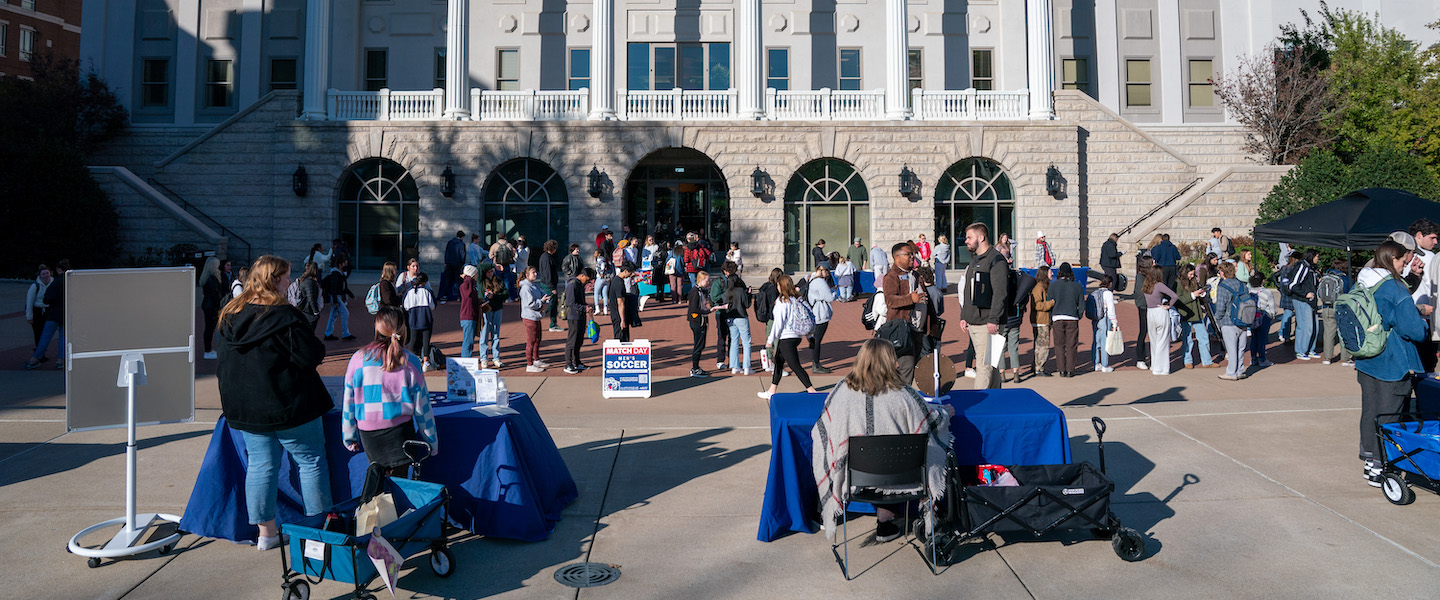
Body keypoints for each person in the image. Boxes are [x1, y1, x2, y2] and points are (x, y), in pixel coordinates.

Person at [214, 255, 331, 551]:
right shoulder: (284, 316)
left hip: (248, 409)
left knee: (262, 466)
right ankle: (318, 531)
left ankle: (266, 534)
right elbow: (311, 355)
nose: (290, 281)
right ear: (274, 280)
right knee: (310, 462)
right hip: (290, 406)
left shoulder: (229, 314)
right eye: (286, 277)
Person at [810, 338, 952, 542]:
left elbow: (823, 430)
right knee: (892, 449)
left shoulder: (841, 391)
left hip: (854, 475)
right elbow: (932, 421)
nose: (897, 363)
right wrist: (945, 412)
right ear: (887, 362)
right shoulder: (906, 395)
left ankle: (828, 510)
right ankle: (885, 519)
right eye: (894, 359)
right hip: (901, 476)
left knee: (856, 451)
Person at [1357, 240, 1432, 486]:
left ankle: (1371, 461)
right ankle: (1382, 467)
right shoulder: (1395, 289)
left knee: (1371, 410)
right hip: (1392, 361)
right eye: (1402, 261)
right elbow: (1414, 330)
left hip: (1367, 358)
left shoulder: (1364, 281)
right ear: (1393, 260)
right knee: (1390, 414)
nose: (1405, 265)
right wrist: (1421, 320)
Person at [342, 307, 438, 474]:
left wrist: (349, 437)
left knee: (379, 483)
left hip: (369, 434)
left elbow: (348, 402)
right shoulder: (411, 361)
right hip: (401, 433)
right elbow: (422, 408)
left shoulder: (357, 359)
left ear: (377, 327)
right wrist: (432, 442)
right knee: (399, 484)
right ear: (402, 329)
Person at [958, 223, 1009, 388]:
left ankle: (978, 406)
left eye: (969, 237)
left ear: (981, 238)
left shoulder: (996, 260)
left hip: (988, 324)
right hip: (975, 322)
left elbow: (1000, 293)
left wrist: (993, 319)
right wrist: (964, 316)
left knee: (984, 366)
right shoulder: (975, 261)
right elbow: (968, 292)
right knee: (991, 366)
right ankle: (995, 403)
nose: (966, 241)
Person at [759, 274, 820, 400]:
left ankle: (812, 390)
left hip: (786, 337)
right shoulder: (797, 299)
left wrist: (770, 341)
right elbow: (805, 317)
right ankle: (772, 390)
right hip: (796, 336)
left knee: (794, 365)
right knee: (779, 363)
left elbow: (778, 324)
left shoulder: (782, 301)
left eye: (778, 285)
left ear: (780, 286)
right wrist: (809, 337)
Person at [883, 242, 928, 386]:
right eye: (908, 254)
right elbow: (890, 300)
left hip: (918, 329)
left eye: (912, 254)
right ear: (897, 258)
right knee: (906, 365)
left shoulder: (915, 274)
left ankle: (899, 392)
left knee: (912, 365)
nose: (911, 257)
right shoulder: (891, 276)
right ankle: (901, 398)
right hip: (901, 329)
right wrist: (910, 299)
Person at [1406, 218, 1440, 374]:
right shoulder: (1430, 257)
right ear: (1419, 235)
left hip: (1403, 317)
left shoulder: (1394, 254)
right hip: (1424, 318)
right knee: (1425, 367)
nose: (1435, 242)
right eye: (1432, 237)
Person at [1212, 262, 1251, 380]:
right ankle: (1239, 370)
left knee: (1231, 348)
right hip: (1243, 319)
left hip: (1228, 321)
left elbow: (1220, 307)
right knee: (1241, 348)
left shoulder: (1223, 286)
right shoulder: (1242, 285)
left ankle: (1231, 372)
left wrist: (1217, 320)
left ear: (1222, 273)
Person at [1176, 268, 1217, 369]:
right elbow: (1179, 299)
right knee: (1188, 338)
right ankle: (1187, 360)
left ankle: (1207, 361)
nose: (1191, 276)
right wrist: (1192, 295)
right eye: (1190, 274)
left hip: (1197, 313)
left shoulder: (1194, 282)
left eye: (1193, 274)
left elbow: (1199, 293)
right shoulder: (1178, 283)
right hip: (1186, 314)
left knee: (1203, 336)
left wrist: (1202, 294)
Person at [1142, 265, 1180, 375]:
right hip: (1160, 312)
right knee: (1162, 341)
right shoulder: (1159, 285)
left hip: (1150, 312)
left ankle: (1154, 365)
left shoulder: (1146, 284)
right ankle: (1162, 368)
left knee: (1153, 341)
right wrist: (1168, 305)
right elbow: (1174, 296)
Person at [719, 261, 754, 375]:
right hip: (741, 316)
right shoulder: (740, 291)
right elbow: (747, 304)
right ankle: (747, 367)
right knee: (746, 342)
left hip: (730, 318)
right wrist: (748, 294)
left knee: (734, 341)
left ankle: (735, 366)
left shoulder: (726, 293)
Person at [1319, 259, 1354, 366]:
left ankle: (1327, 358)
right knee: (1344, 333)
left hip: (1326, 307)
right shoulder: (1346, 279)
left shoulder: (1326, 277)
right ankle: (1345, 358)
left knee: (1328, 334)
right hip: (1341, 308)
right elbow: (1350, 293)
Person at [1289, 249, 1321, 360]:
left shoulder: (1311, 268)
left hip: (1311, 301)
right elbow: (1293, 285)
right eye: (1316, 256)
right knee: (1305, 326)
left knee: (1314, 327)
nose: (1318, 258)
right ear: (1311, 256)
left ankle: (1310, 349)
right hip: (1302, 300)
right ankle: (1300, 350)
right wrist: (1305, 294)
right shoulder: (1303, 266)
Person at [519, 266, 552, 372]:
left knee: (538, 339)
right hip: (529, 317)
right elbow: (530, 304)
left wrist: (547, 298)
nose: (536, 274)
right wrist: (541, 301)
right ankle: (529, 364)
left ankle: (536, 359)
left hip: (536, 316)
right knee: (531, 340)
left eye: (536, 272)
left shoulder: (534, 285)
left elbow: (542, 294)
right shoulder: (525, 288)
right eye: (533, 272)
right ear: (527, 275)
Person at [563, 268, 596, 374]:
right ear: (582, 275)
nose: (588, 282)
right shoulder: (572, 285)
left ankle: (577, 362)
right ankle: (568, 364)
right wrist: (584, 308)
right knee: (572, 341)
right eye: (587, 279)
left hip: (581, 316)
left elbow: (580, 301)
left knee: (579, 340)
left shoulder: (579, 285)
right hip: (573, 316)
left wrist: (587, 307)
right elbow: (571, 303)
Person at [403, 272, 437, 370]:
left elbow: (406, 306)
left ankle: (411, 361)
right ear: (425, 282)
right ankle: (426, 362)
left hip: (414, 317)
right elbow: (432, 306)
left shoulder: (410, 291)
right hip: (426, 317)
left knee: (413, 339)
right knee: (426, 341)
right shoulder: (427, 291)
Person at [687, 271, 717, 377]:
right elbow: (694, 309)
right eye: (707, 281)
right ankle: (695, 368)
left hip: (701, 321)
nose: (708, 282)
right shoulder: (695, 292)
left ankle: (696, 367)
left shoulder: (701, 291)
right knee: (698, 345)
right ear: (700, 280)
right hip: (697, 321)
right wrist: (708, 311)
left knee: (701, 344)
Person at [807, 264, 835, 374]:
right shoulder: (821, 282)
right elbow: (829, 297)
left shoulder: (811, 278)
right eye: (827, 271)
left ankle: (815, 361)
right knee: (818, 339)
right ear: (823, 271)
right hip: (821, 313)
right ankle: (816, 364)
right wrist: (834, 293)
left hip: (815, 311)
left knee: (815, 339)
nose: (828, 273)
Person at [478, 265, 507, 367]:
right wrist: (495, 265)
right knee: (484, 333)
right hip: (486, 310)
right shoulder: (481, 281)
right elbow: (480, 267)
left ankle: (496, 357)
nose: (490, 273)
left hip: (497, 308)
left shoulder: (498, 281)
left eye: (491, 271)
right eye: (488, 271)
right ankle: (484, 358)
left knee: (496, 334)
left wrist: (494, 296)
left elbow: (505, 293)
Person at [320, 258, 356, 341]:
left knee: (333, 315)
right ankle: (345, 334)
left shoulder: (340, 274)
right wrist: (335, 300)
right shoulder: (335, 274)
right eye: (344, 263)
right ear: (340, 264)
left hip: (337, 296)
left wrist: (351, 295)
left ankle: (328, 333)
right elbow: (333, 288)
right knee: (345, 313)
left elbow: (344, 287)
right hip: (335, 297)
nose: (346, 265)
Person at [1090, 275, 1119, 373]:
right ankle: (1105, 364)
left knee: (1096, 341)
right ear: (1110, 283)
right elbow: (1111, 309)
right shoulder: (1108, 293)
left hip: (1095, 318)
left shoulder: (1095, 292)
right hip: (1104, 318)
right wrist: (1114, 322)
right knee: (1105, 342)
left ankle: (1096, 363)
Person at [756, 268, 782, 372]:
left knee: (769, 337)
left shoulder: (765, 286)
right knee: (775, 339)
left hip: (767, 316)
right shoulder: (774, 289)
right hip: (773, 316)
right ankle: (772, 361)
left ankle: (768, 361)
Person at [24, 264, 51, 362]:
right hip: (38, 312)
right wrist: (29, 317)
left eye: (47, 273)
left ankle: (41, 353)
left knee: (46, 334)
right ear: (39, 275)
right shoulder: (35, 286)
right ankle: (40, 354)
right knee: (38, 333)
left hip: (48, 310)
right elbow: (29, 302)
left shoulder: (53, 283)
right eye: (43, 274)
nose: (45, 276)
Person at [200, 256, 225, 360]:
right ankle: (207, 350)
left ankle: (208, 349)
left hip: (207, 304)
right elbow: (215, 295)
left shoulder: (207, 277)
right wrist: (220, 306)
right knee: (210, 329)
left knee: (209, 328)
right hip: (211, 306)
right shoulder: (212, 278)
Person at [1133, 255, 1155, 370]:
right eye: (1153, 262)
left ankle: (1154, 358)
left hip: (1153, 306)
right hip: (1144, 307)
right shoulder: (1140, 276)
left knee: (1153, 333)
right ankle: (1140, 359)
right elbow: (1140, 293)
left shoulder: (1152, 275)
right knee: (1143, 331)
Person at [710, 260, 732, 370]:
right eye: (730, 271)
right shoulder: (718, 282)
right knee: (722, 336)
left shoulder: (736, 280)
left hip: (733, 312)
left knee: (733, 337)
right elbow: (714, 297)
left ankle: (732, 360)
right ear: (725, 271)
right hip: (721, 312)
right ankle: (720, 359)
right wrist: (727, 295)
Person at [607, 262, 638, 343]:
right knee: (621, 338)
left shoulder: (616, 280)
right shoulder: (619, 284)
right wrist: (623, 320)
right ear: (625, 271)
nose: (631, 275)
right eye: (630, 273)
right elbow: (620, 303)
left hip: (617, 314)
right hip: (618, 316)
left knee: (623, 337)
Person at [1251, 274, 1277, 367]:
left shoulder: (1250, 290)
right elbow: (1272, 306)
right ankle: (1262, 358)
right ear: (1262, 281)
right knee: (1262, 338)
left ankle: (1253, 358)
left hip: (1252, 316)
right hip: (1264, 316)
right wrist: (1273, 315)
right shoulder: (1267, 292)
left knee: (1254, 337)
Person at [537, 240, 562, 332]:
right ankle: (544, 316)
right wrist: (552, 288)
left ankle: (553, 323)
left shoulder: (545, 257)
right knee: (551, 303)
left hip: (547, 283)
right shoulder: (547, 258)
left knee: (553, 303)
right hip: (548, 284)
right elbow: (548, 274)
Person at [458, 265, 481, 359]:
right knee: (468, 341)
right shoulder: (467, 285)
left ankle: (467, 358)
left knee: (469, 340)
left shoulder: (470, 285)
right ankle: (465, 360)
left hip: (469, 316)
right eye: (475, 274)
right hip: (468, 316)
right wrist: (468, 277)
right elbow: (468, 293)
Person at [295, 262, 324, 333]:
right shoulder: (309, 282)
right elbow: (311, 298)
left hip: (306, 311)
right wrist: (316, 312)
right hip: (308, 312)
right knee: (309, 334)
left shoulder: (305, 280)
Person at [489, 233, 517, 300]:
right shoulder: (508, 245)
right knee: (506, 281)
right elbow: (513, 254)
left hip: (497, 265)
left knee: (498, 281)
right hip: (506, 265)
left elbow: (490, 256)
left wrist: (495, 257)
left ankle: (499, 295)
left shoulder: (495, 245)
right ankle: (506, 296)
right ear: (505, 237)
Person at [441, 230, 466, 303]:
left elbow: (446, 252)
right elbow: (462, 255)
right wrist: (462, 264)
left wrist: (446, 261)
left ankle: (445, 295)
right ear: (462, 237)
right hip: (457, 264)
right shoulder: (461, 244)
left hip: (449, 263)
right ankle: (459, 296)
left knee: (447, 280)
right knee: (458, 281)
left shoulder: (450, 242)